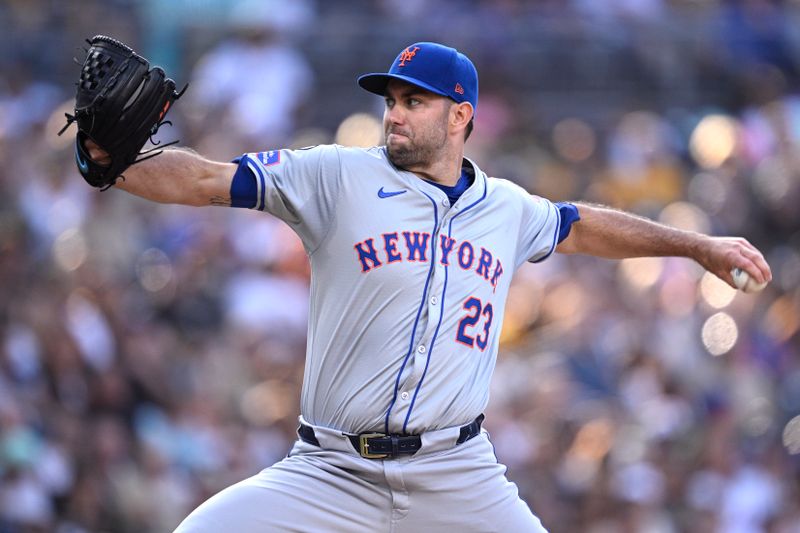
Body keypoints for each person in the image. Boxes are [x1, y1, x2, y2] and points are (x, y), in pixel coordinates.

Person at [83, 42, 771, 532]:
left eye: (415, 101)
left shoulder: (506, 208)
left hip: (457, 472)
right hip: (330, 470)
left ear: (461, 115)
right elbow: (206, 179)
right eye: (392, 100)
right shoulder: (335, 175)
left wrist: (698, 245)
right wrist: (111, 161)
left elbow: (582, 225)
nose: (395, 114)